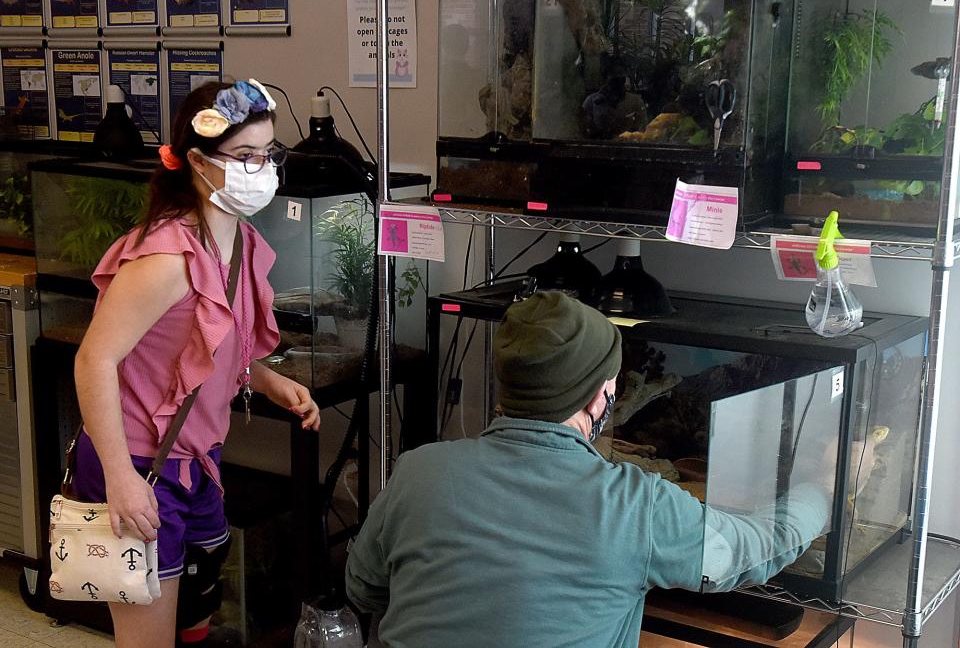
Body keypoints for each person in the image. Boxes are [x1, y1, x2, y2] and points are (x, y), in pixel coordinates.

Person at [345, 291, 847, 647]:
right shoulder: (638, 506)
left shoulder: (417, 472)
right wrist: (822, 486)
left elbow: (363, 587)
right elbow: (752, 549)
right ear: (599, 397)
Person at [73, 79, 320, 648]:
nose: (259, 169)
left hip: (196, 461)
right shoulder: (165, 258)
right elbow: (94, 361)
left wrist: (271, 381)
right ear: (195, 161)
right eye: (242, 157)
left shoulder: (243, 241)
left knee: (196, 625)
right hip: (137, 461)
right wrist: (120, 479)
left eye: (267, 154)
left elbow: (207, 348)